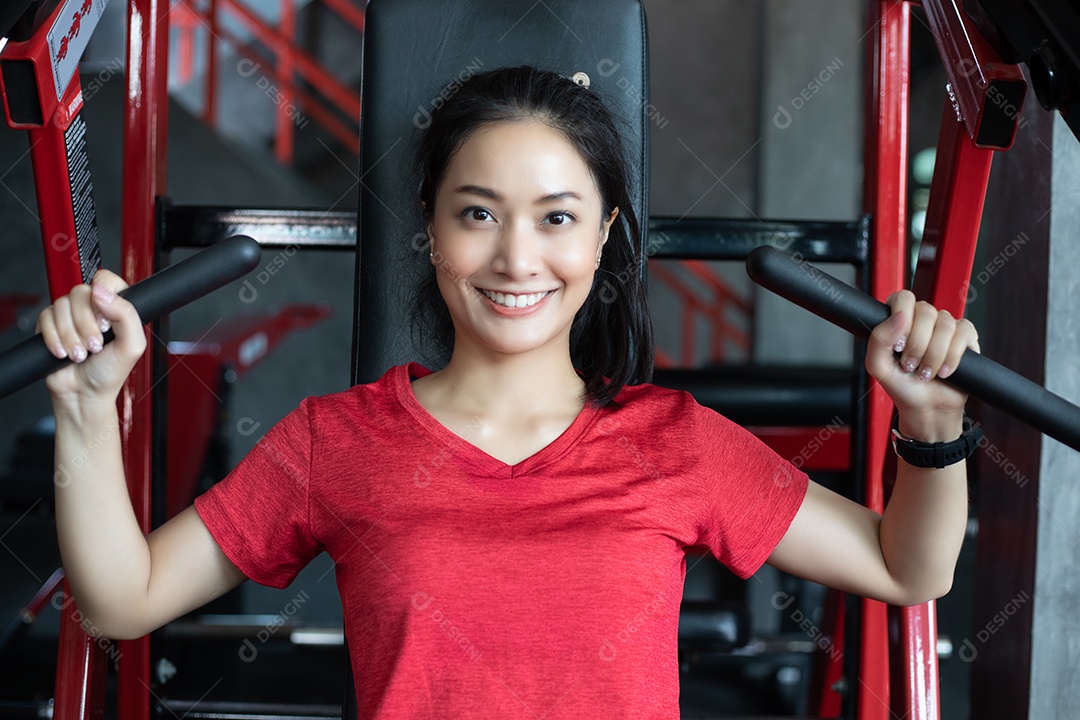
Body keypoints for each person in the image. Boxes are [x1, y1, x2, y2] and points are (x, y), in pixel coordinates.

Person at [37, 66, 978, 717]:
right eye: (478, 213)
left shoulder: (676, 442)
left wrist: (934, 423)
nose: (517, 258)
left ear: (604, 233)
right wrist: (84, 409)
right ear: (431, 228)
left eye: (556, 218)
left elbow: (909, 570)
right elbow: (123, 601)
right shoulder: (337, 441)